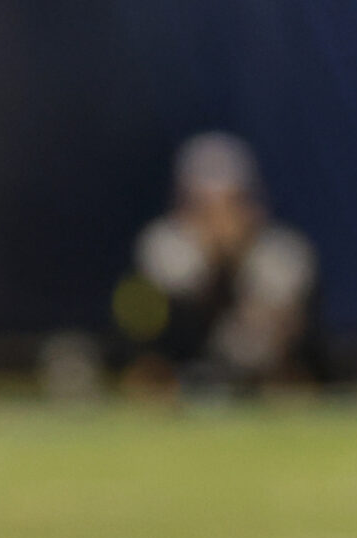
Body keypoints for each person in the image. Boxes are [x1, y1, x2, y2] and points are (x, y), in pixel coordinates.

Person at [115, 134, 318, 392]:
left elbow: (276, 331)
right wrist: (213, 257)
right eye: (205, 205)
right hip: (178, 368)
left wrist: (237, 258)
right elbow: (168, 319)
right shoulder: (162, 245)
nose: (220, 217)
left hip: (256, 373)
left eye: (231, 202)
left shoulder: (281, 252)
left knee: (287, 381)